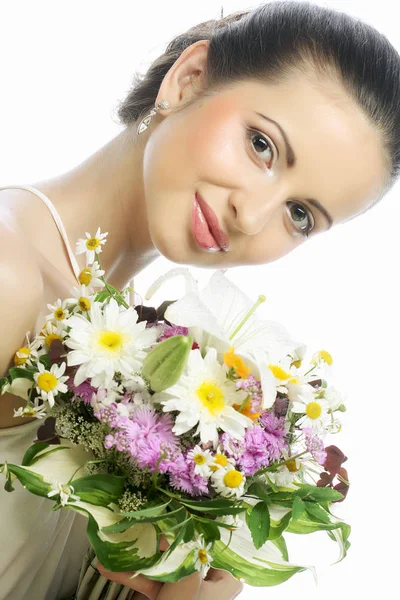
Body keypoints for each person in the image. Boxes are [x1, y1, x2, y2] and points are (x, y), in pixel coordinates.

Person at [0, 1, 399, 598]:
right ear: (188, 80)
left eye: (299, 215)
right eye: (263, 146)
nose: (253, 213)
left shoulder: (143, 349)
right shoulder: (10, 272)